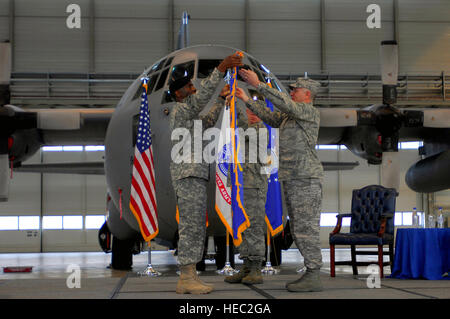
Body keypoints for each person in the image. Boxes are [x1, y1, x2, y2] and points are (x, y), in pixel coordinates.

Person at [236, 69, 324, 292]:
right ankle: (310, 271)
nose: (292, 92)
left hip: (306, 178)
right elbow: (271, 117)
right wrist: (246, 99)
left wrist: (259, 85)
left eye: (296, 90)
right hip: (294, 177)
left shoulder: (307, 111)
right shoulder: (290, 116)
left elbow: (285, 104)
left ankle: (314, 273)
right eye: (292, 90)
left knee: (306, 228)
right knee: (297, 227)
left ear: (308, 94)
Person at [169, 53, 243, 294]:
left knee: (196, 225)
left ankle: (190, 275)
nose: (193, 89)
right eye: (189, 86)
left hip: (195, 174)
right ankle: (186, 277)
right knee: (191, 226)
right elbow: (201, 100)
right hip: (188, 175)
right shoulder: (181, 109)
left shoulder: (191, 115)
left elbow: (208, 120)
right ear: (179, 93)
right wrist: (220, 68)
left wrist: (221, 100)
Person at [223, 102, 268, 285]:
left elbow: (242, 131)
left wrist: (236, 107)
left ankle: (256, 268)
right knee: (243, 226)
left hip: (253, 184)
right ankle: (247, 266)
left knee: (254, 226)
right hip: (241, 184)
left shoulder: (260, 130)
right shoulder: (245, 129)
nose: (252, 114)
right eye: (250, 111)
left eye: (256, 111)